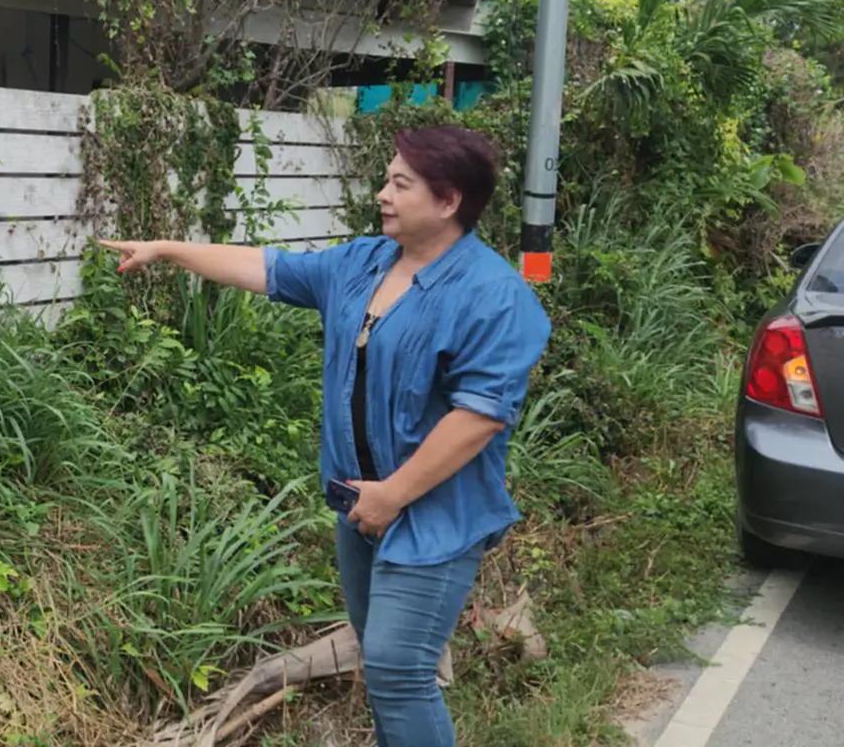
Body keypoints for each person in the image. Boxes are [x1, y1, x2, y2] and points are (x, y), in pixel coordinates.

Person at [99, 124, 550, 747]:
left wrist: (392, 495)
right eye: (387, 179)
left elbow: (480, 417)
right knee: (381, 663)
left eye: (400, 183)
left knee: (400, 667)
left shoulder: (492, 294)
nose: (382, 193)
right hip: (358, 509)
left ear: (448, 201)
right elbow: (268, 268)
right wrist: (168, 249)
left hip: (435, 515)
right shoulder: (363, 263)